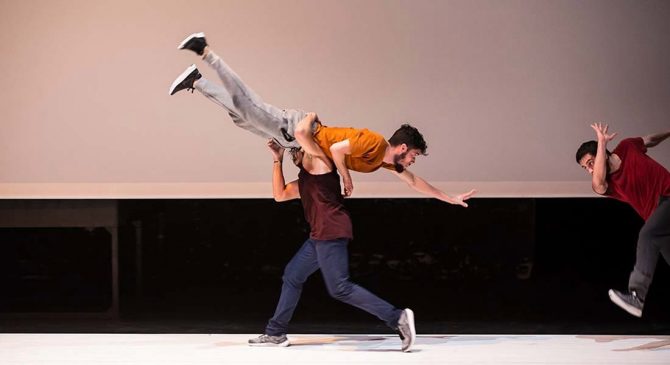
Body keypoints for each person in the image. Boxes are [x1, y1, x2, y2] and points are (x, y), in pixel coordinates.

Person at [170, 32, 476, 204]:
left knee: (241, 116)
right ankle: (206, 51)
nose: (412, 163)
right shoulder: (372, 142)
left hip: (294, 142)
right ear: (403, 147)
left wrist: (447, 198)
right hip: (298, 129)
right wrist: (345, 175)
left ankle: (196, 80)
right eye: (414, 156)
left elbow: (413, 182)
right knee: (247, 105)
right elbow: (338, 149)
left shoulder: (381, 160)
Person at [247, 139, 416, 352]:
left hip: (331, 231)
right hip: (319, 236)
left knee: (340, 288)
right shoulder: (305, 180)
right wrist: (277, 159)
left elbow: (308, 138)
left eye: (299, 151)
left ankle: (397, 317)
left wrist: (298, 138)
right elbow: (279, 195)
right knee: (292, 274)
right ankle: (276, 333)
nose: (296, 155)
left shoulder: (323, 168)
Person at [575, 123, 670, 317]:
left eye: (590, 163)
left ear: (603, 154)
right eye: (586, 168)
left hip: (668, 197)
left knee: (647, 234)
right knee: (653, 234)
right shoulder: (607, 185)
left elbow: (650, 140)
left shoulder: (628, 146)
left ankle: (636, 295)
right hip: (661, 221)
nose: (590, 170)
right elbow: (598, 182)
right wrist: (601, 144)